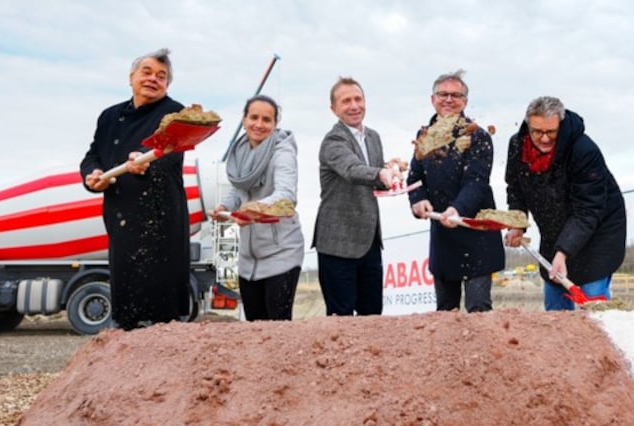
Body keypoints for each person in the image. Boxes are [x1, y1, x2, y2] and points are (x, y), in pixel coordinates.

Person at [79, 48, 190, 330]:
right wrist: (91, 175)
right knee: (126, 303)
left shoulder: (175, 112)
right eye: (147, 72)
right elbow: (93, 155)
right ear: (131, 77)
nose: (154, 79)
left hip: (160, 219)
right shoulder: (108, 116)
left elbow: (170, 151)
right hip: (121, 216)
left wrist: (144, 160)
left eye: (162, 76)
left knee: (161, 309)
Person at [503, 96, 626, 311]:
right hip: (555, 230)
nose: (543, 139)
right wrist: (517, 223)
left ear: (560, 124)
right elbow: (516, 188)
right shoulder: (517, 146)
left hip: (597, 230)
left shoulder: (583, 150)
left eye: (551, 132)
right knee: (555, 305)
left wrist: (563, 253)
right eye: (537, 132)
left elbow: (587, 210)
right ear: (528, 125)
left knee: (593, 305)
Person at [406, 69, 505, 313]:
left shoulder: (478, 137)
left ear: (465, 102)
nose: (449, 100)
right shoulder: (423, 136)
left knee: (478, 310)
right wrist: (417, 201)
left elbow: (476, 181)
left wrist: (457, 208)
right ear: (433, 99)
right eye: (443, 94)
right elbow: (414, 178)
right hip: (443, 236)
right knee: (445, 313)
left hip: (476, 232)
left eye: (455, 95)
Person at [312, 77, 402, 316]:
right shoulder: (333, 141)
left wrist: (390, 172)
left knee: (372, 316)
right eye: (346, 101)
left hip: (369, 241)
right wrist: (381, 173)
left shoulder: (373, 137)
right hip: (337, 244)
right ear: (334, 109)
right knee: (341, 319)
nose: (354, 106)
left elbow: (373, 180)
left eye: (358, 99)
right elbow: (352, 170)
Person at [214, 95, 304, 321]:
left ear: (275, 124)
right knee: (254, 331)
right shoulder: (241, 152)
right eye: (254, 117)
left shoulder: (283, 153)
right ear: (244, 120)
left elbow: (285, 195)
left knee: (277, 331)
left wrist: (251, 211)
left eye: (267, 119)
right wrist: (225, 206)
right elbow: (240, 189)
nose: (259, 124)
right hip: (248, 260)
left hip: (281, 254)